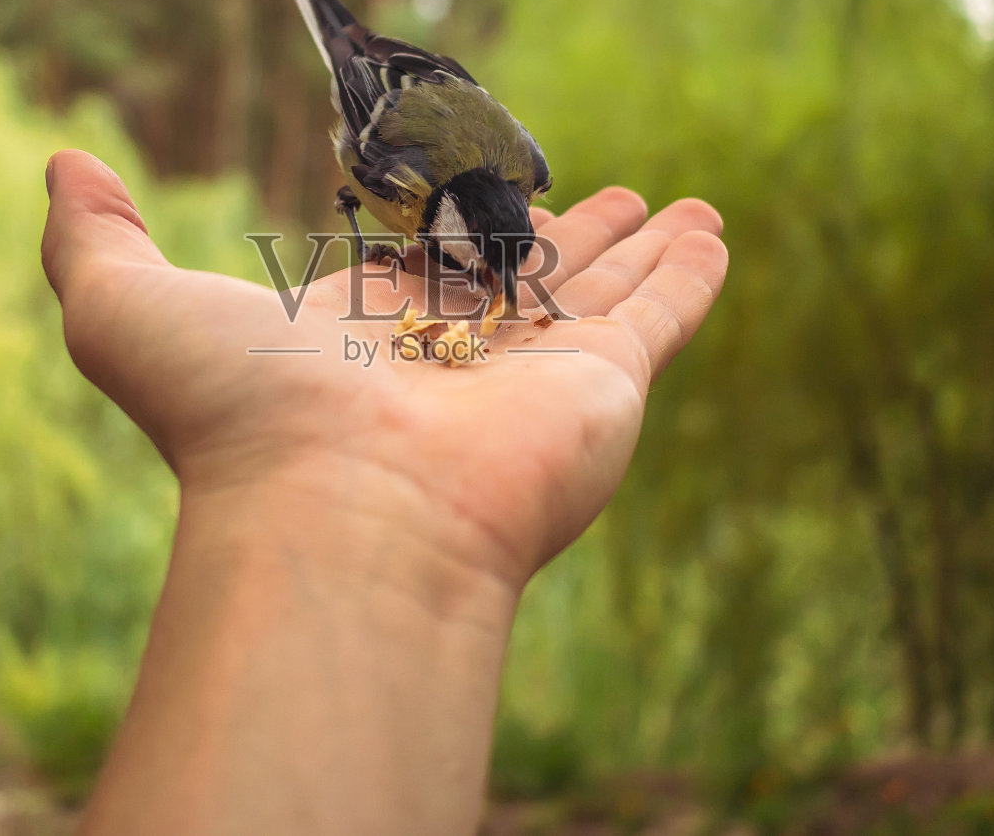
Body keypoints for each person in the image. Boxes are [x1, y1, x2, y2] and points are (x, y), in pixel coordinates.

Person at [40, 149, 729, 835]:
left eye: (504, 271)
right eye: (487, 262)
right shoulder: (408, 178)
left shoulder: (496, 190)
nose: (495, 287)